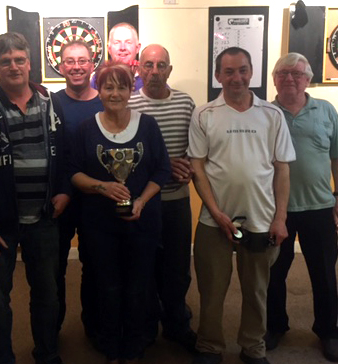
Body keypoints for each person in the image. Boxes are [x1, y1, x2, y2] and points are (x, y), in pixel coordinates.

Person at [0, 32, 70, 364]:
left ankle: (47, 354)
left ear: (29, 62)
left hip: (43, 219)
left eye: (19, 59)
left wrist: (64, 190)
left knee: (48, 297)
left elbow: (64, 154)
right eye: (5, 61)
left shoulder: (50, 102)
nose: (14, 66)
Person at [188, 47, 296, 364]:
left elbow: (283, 169)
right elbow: (198, 167)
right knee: (211, 291)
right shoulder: (204, 114)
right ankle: (209, 346)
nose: (237, 77)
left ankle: (253, 347)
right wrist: (216, 213)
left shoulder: (272, 115)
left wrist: (281, 218)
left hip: (262, 221)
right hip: (213, 221)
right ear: (218, 75)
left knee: (257, 292)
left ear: (252, 72)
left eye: (243, 70)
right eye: (230, 71)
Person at [70, 61, 171, 364]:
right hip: (99, 225)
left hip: (142, 222)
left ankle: (135, 344)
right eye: (108, 86)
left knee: (139, 284)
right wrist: (102, 187)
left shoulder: (148, 125)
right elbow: (73, 173)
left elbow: (162, 169)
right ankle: (111, 344)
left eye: (122, 86)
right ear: (98, 90)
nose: (115, 93)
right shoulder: (86, 129)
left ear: (131, 90)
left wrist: (141, 200)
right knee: (107, 285)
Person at [265, 52, 338, 363]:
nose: (289, 78)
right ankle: (275, 326)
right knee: (273, 274)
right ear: (274, 79)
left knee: (324, 274)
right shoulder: (265, 113)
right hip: (276, 210)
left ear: (308, 79)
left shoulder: (326, 110)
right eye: (283, 73)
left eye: (296, 74)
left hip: (320, 208)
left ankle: (327, 332)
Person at [127, 44, 197, 351]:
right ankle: (145, 328)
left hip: (177, 201)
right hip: (143, 202)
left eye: (161, 65)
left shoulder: (185, 103)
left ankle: (176, 324)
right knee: (143, 268)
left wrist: (191, 168)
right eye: (149, 65)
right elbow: (125, 158)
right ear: (138, 69)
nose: (155, 72)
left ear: (169, 70)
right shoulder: (128, 104)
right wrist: (162, 170)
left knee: (178, 269)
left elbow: (197, 150)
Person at [55, 40, 104, 335]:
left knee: (94, 268)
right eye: (70, 61)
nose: (76, 66)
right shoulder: (50, 104)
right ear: (61, 67)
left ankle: (94, 326)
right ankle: (52, 329)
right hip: (60, 199)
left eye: (82, 60)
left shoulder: (106, 101)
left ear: (92, 65)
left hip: (96, 201)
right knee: (54, 269)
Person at [91, 22, 142, 90]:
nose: (122, 48)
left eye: (128, 42)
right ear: (109, 49)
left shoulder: (147, 79)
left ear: (137, 48)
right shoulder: (98, 78)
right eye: (117, 43)